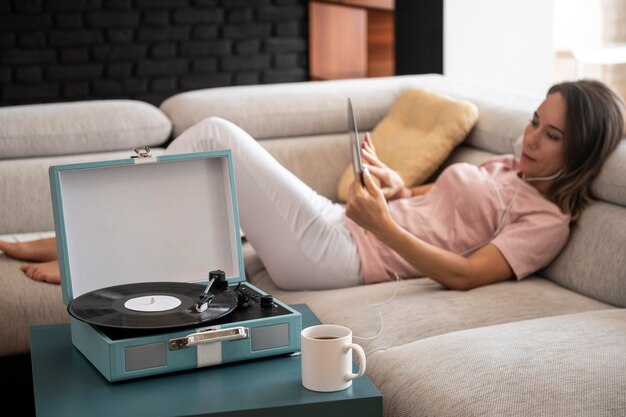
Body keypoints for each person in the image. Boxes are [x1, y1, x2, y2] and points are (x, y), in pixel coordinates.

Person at [1, 79, 623, 290]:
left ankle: (83, 237)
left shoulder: (546, 222)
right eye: (534, 123)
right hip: (347, 225)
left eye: (551, 136)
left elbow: (463, 273)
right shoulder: (510, 169)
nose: (529, 140)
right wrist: (397, 191)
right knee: (208, 181)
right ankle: (82, 234)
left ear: (584, 149)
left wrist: (381, 224)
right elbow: (443, 213)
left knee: (216, 134)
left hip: (345, 256)